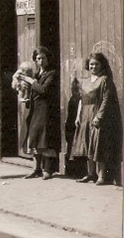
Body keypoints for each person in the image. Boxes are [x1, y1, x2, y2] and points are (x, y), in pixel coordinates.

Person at [70, 52, 122, 185]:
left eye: (96, 64)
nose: (93, 67)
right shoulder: (85, 81)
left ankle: (101, 176)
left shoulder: (105, 80)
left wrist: (99, 117)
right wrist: (78, 116)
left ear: (102, 65)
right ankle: (90, 174)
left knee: (98, 146)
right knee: (87, 144)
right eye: (91, 64)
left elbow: (106, 100)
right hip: (85, 116)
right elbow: (81, 100)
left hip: (97, 115)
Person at [16, 46, 61, 179]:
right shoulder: (36, 74)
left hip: (45, 110)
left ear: (48, 59)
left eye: (43, 58)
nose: (41, 61)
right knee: (34, 137)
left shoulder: (51, 73)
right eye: (38, 58)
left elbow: (43, 90)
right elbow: (29, 89)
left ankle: (47, 169)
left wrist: (30, 81)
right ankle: (36, 168)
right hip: (34, 109)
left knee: (44, 139)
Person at [12, 60, 36, 156]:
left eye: (28, 71)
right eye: (25, 71)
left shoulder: (31, 76)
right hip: (23, 90)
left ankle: (29, 149)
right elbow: (14, 81)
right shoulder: (19, 74)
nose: (26, 73)